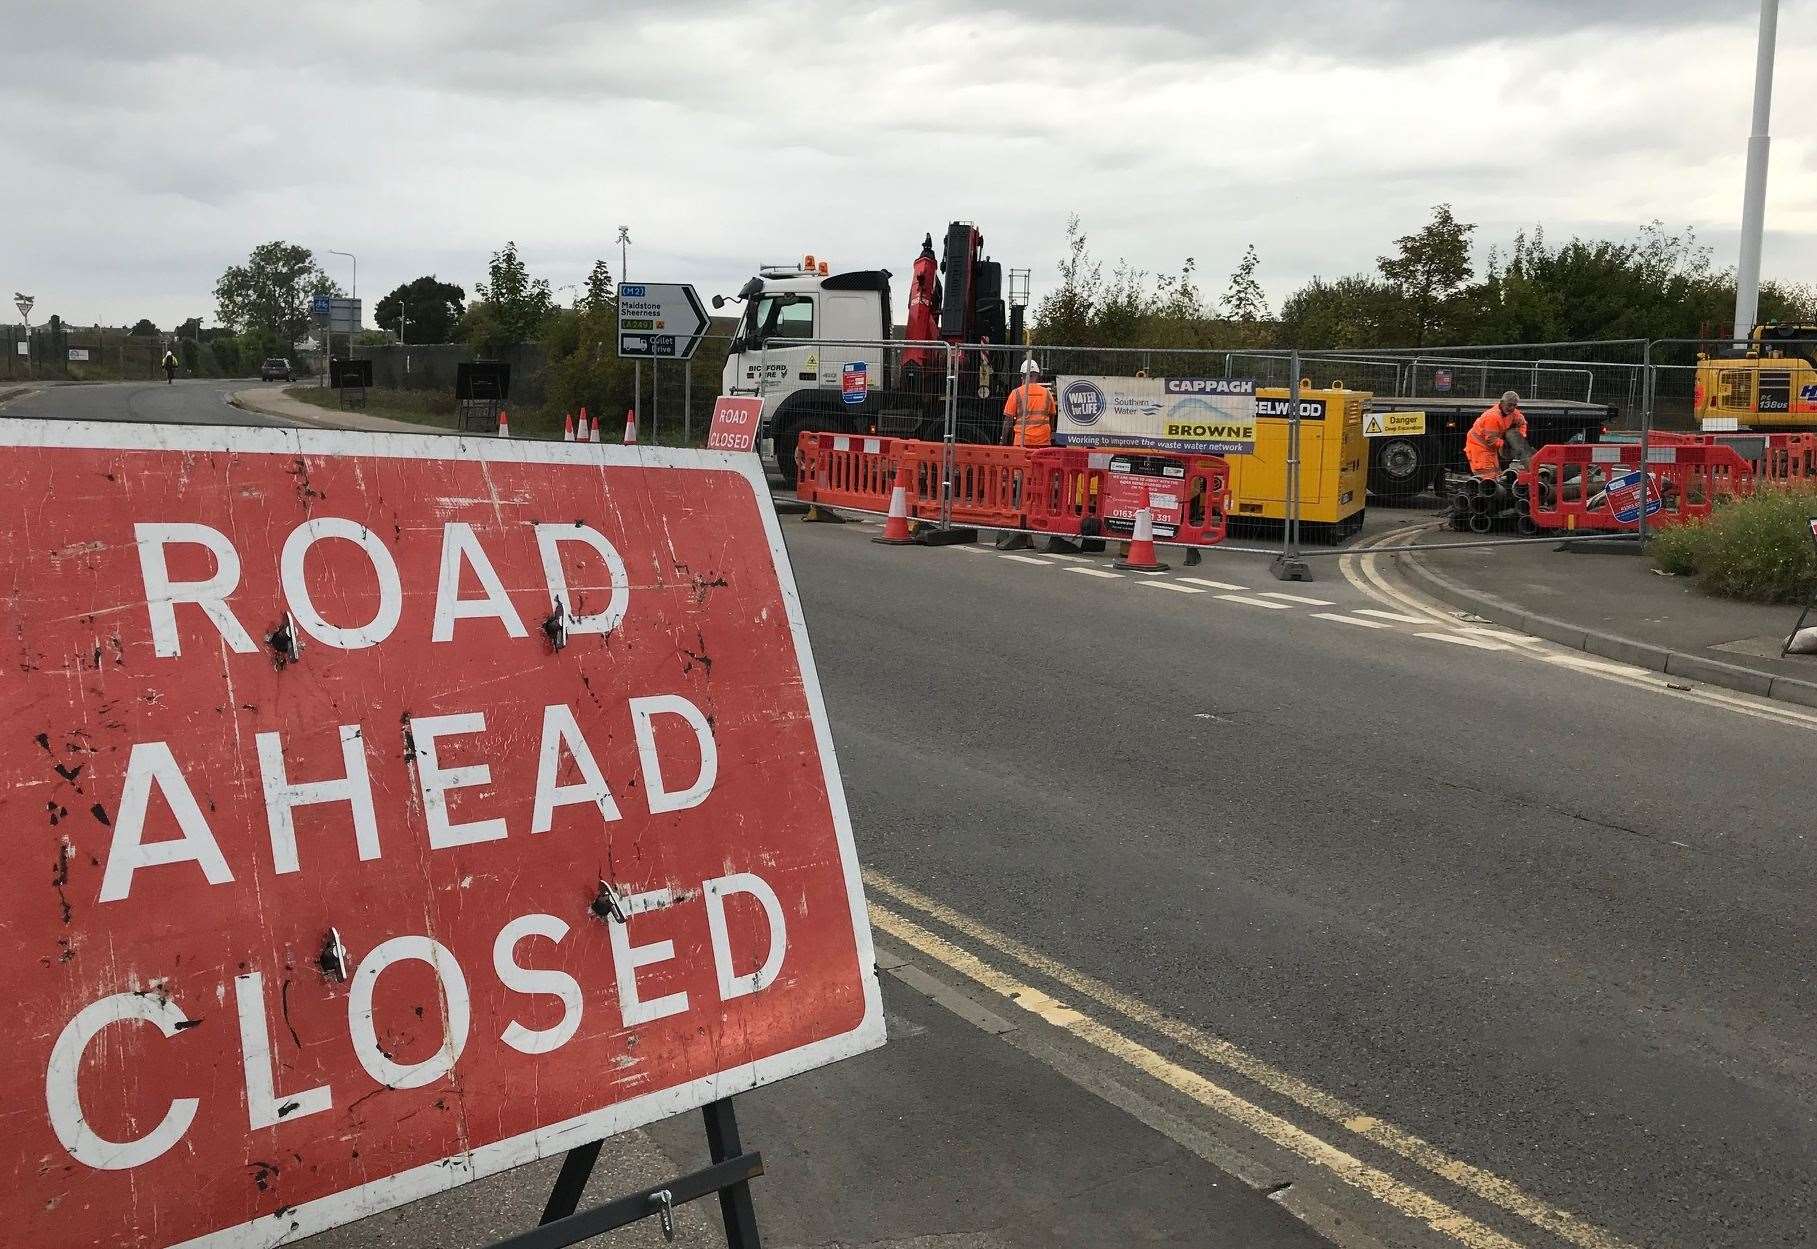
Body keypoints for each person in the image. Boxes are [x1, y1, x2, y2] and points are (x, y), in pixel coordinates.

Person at [996, 359, 1059, 550]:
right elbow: (1051, 416)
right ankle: (1037, 524)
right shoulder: (1047, 393)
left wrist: (1002, 441)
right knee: (1040, 486)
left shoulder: (1017, 393)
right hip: (1042, 446)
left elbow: (1007, 421)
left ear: (1022, 377)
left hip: (1022, 445)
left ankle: (1020, 526)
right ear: (1037, 376)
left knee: (1020, 487)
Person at [1466, 390, 1534, 478]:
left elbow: (1522, 423)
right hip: (1479, 447)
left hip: (1490, 447)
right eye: (1509, 404)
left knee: (1496, 475)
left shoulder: (1513, 413)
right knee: (1487, 477)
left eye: (1514, 405)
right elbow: (1491, 439)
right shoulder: (1492, 416)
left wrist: (1519, 438)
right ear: (1502, 403)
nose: (1512, 408)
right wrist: (1505, 445)